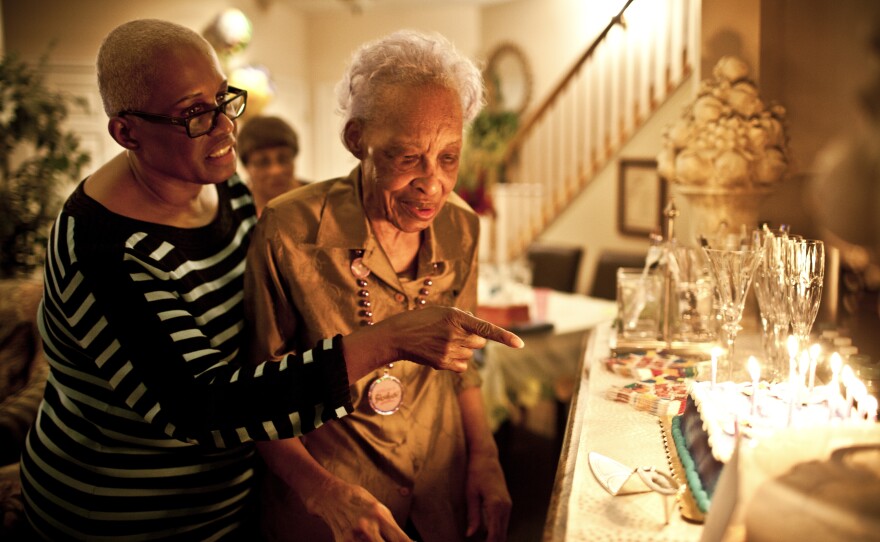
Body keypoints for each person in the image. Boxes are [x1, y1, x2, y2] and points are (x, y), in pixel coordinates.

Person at [18, 19, 523, 541]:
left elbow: (247, 343)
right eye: (193, 114)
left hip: (227, 510)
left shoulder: (225, 187)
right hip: (120, 519)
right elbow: (203, 409)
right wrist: (390, 339)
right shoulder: (104, 248)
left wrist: (481, 455)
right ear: (126, 132)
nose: (223, 127)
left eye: (223, 99)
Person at [244, 30, 511, 542]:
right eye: (407, 158)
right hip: (335, 507)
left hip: (440, 490)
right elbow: (257, 398)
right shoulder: (289, 231)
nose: (432, 184)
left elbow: (465, 365)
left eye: (449, 157)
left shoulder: (462, 225)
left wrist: (485, 457)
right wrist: (322, 491)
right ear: (356, 140)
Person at [237, 115, 303, 216]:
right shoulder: (234, 211)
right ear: (246, 167)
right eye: (263, 162)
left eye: (284, 159)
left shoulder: (319, 200)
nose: (276, 170)